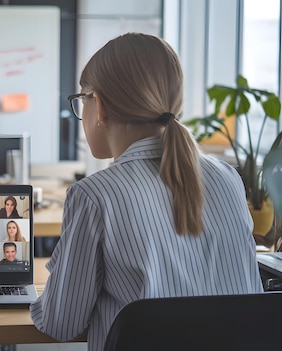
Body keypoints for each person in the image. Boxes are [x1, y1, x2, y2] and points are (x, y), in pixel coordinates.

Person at [30, 33, 263, 351]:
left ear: (99, 106)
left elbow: (61, 323)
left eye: (81, 99)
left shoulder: (95, 195)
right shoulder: (228, 179)